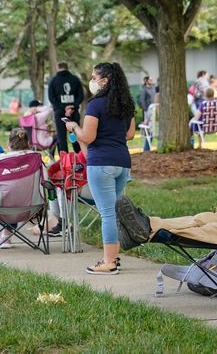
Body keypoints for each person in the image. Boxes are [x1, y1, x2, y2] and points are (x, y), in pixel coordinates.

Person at [65, 62, 135, 275]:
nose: (92, 81)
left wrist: (74, 127)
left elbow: (88, 137)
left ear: (105, 81)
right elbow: (130, 135)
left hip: (101, 164)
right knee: (113, 212)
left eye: (94, 77)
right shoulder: (127, 105)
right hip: (122, 163)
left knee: (107, 214)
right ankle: (114, 256)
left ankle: (109, 262)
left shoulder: (95, 105)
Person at [48, 62, 85, 153]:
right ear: (67, 67)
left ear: (57, 68)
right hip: (74, 112)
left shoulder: (53, 81)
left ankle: (64, 161)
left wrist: (63, 108)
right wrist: (72, 106)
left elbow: (51, 98)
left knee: (62, 137)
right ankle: (79, 156)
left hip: (60, 113)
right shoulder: (75, 79)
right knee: (75, 135)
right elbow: (81, 95)